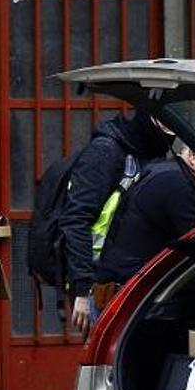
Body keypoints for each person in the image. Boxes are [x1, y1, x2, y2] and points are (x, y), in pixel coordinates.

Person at [90, 124, 195, 312]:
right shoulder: (177, 184)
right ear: (192, 155)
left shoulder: (165, 171)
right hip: (129, 301)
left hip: (122, 293)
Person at [58, 110, 174, 335]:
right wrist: (82, 289)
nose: (169, 133)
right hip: (98, 284)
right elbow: (76, 218)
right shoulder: (107, 151)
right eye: (163, 124)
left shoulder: (150, 155)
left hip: (132, 280)